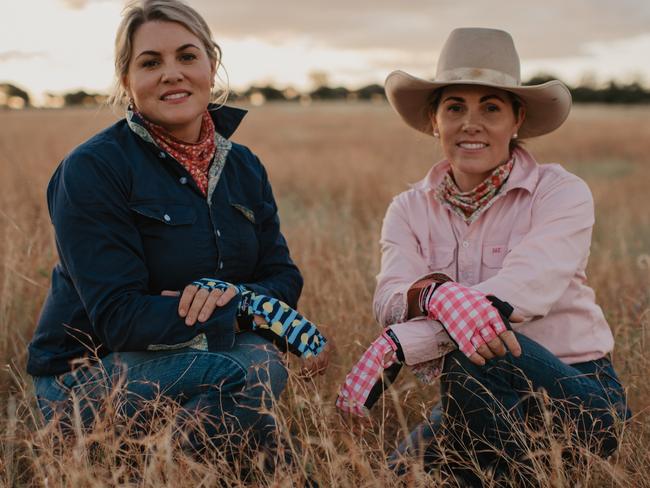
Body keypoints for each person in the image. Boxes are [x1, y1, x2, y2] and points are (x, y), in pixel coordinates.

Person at [27, 0, 330, 461]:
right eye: (151, 62)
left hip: (197, 356)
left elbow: (283, 277)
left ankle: (196, 461)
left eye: (187, 56)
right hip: (87, 377)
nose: (172, 73)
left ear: (212, 65)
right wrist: (241, 309)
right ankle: (149, 466)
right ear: (127, 82)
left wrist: (225, 297)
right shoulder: (93, 169)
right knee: (256, 364)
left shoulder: (244, 166)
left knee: (255, 381)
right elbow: (120, 319)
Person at [336, 27, 630, 483]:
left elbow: (522, 293)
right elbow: (391, 298)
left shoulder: (561, 193)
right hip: (476, 394)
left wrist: (402, 343)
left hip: (577, 394)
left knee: (474, 354)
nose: (471, 123)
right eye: (455, 107)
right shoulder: (408, 209)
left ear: (517, 120)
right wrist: (435, 298)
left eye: (490, 108)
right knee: (394, 476)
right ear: (435, 121)